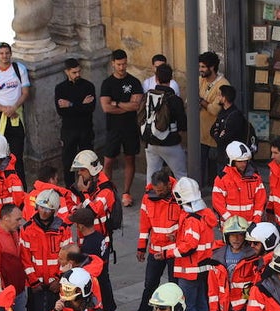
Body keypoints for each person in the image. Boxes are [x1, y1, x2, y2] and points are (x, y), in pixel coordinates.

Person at [20, 188, 73, 311]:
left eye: (48, 208)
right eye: (41, 207)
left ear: (54, 210)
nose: (43, 211)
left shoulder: (63, 229)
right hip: (36, 284)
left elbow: (68, 257)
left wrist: (58, 280)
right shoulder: (27, 229)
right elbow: (25, 258)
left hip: (56, 284)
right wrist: (33, 282)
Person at [171, 176, 219, 311]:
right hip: (203, 268)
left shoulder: (191, 219)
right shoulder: (205, 215)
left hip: (189, 270)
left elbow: (189, 245)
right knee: (201, 304)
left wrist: (170, 252)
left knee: (189, 307)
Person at [133, 170, 181, 311]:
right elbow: (144, 224)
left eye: (161, 191)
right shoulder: (148, 196)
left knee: (175, 288)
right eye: (156, 191)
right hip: (156, 250)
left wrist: (178, 235)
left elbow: (187, 220)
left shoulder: (179, 195)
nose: (158, 194)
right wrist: (141, 247)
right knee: (149, 287)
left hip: (174, 251)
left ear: (169, 184)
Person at [0, 42, 31, 187]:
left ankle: (21, 188)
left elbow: (26, 92)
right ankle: (0, 185)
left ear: (11, 54)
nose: (4, 56)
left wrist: (14, 107)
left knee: (17, 156)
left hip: (16, 116)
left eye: (7, 53)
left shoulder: (19, 69)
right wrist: (4, 109)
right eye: (1, 53)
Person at [99, 49, 143, 208]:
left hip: (130, 128)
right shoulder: (107, 83)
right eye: (119, 64)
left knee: (130, 159)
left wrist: (116, 103)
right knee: (108, 161)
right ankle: (107, 192)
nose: (122, 67)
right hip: (113, 129)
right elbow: (105, 107)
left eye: (124, 64)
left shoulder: (134, 82)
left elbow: (136, 106)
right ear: (113, 64)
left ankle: (126, 192)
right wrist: (126, 106)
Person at [212, 216, 252, 311]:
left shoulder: (252, 256)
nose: (236, 238)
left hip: (245, 308)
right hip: (225, 308)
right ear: (226, 236)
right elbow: (213, 287)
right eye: (232, 234)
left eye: (240, 234)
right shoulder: (217, 256)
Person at [55, 58, 97, 188]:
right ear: (67, 72)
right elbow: (61, 112)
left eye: (79, 71)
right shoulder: (60, 89)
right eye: (74, 72)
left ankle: (89, 187)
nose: (77, 74)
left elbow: (90, 109)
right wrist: (81, 105)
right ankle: (70, 189)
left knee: (88, 161)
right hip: (69, 130)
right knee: (68, 163)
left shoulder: (88, 86)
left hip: (85, 130)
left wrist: (71, 104)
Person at [141, 63, 187, 179]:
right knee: (181, 175)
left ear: (156, 78)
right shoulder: (175, 100)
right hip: (171, 142)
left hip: (151, 142)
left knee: (151, 177)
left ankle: (149, 197)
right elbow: (182, 125)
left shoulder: (147, 96)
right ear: (171, 79)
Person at [196, 52, 230, 184]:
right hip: (200, 133)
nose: (200, 70)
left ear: (212, 67)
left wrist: (200, 101)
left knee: (216, 169)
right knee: (200, 165)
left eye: (203, 67)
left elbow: (214, 109)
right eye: (200, 66)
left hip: (215, 135)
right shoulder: (200, 80)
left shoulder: (223, 85)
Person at [213, 141, 266, 223]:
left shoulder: (255, 178)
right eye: (240, 161)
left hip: (250, 225)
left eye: (245, 161)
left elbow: (260, 201)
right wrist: (232, 221)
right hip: (230, 226)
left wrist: (256, 220)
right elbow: (218, 204)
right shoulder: (221, 179)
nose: (243, 164)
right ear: (232, 161)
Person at [209, 84, 248, 165]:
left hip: (231, 157)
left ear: (225, 98)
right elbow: (213, 129)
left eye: (219, 95)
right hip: (221, 155)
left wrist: (219, 135)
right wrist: (218, 134)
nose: (218, 98)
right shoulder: (222, 112)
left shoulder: (235, 115)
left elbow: (226, 136)